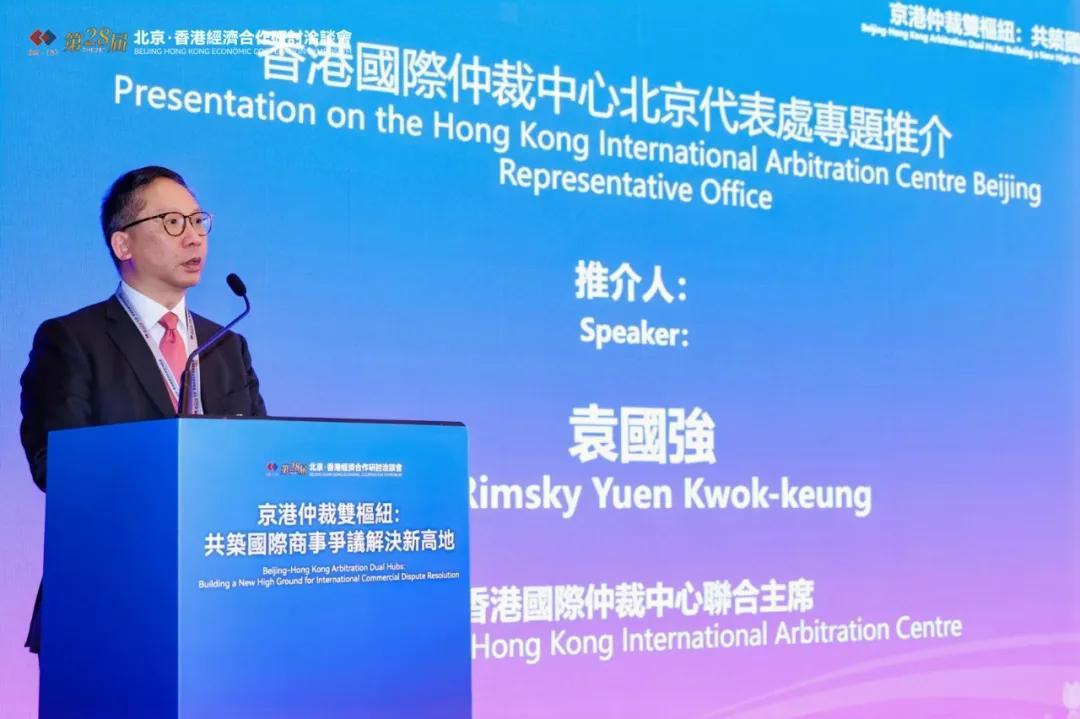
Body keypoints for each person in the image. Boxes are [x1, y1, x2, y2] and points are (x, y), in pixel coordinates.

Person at [19, 165, 267, 655]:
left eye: (198, 221)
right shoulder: (72, 339)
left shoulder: (226, 344)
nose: (194, 237)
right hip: (106, 602)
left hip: (219, 603)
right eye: (172, 222)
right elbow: (56, 466)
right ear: (123, 244)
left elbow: (259, 459)